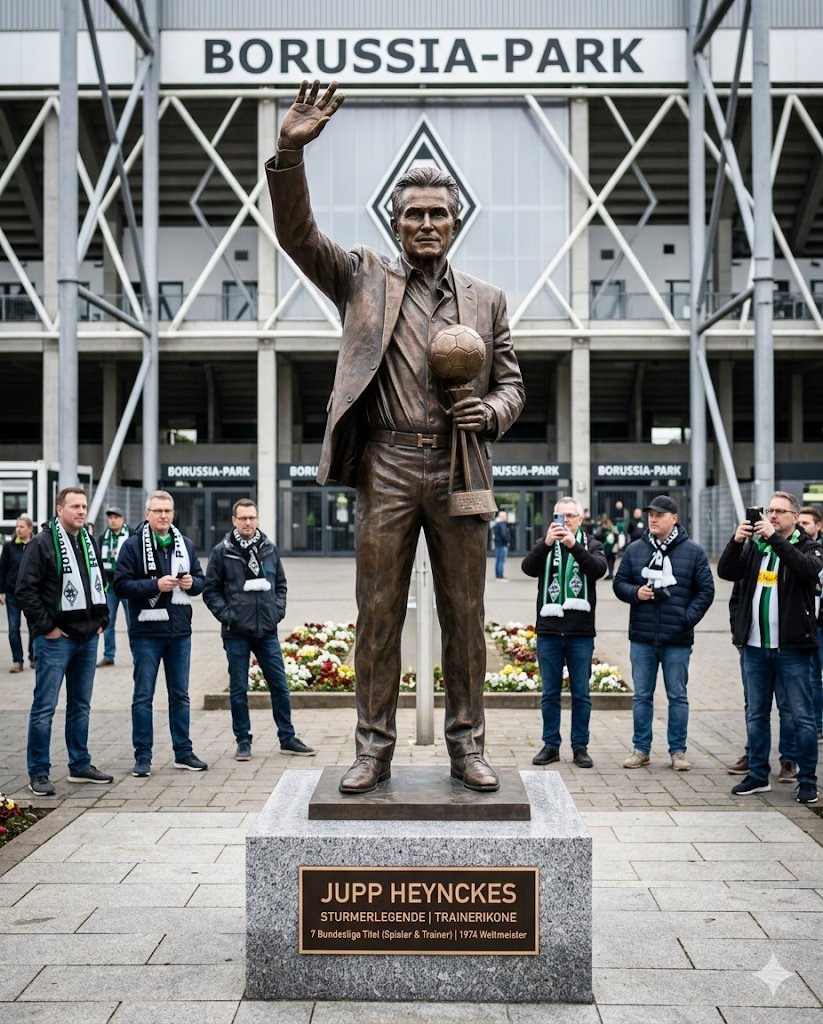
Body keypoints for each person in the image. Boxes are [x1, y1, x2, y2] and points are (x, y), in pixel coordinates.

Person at [267, 80, 525, 795]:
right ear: (394, 220)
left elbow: (512, 384)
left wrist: (493, 414)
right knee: (375, 613)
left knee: (465, 616)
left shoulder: (486, 301)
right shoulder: (360, 279)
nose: (425, 224)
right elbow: (296, 235)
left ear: (455, 221)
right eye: (412, 214)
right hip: (385, 462)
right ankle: (372, 750)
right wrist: (289, 152)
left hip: (458, 467)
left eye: (437, 213)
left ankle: (466, 747)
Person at [717, 493, 822, 803]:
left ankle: (807, 779)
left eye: (779, 511)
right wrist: (736, 542)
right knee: (756, 714)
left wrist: (775, 538)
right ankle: (758, 775)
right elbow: (726, 572)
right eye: (770, 510)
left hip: (791, 648)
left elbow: (805, 569)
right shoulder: (755, 548)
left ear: (794, 515)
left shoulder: (808, 546)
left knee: (801, 716)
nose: (772, 515)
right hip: (754, 647)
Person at [15, 488, 112, 796]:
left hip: (88, 638)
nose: (81, 511)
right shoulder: (42, 544)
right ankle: (39, 772)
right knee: (45, 707)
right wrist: (48, 628)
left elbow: (101, 585)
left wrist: (102, 622)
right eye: (74, 506)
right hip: (56, 641)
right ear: (60, 510)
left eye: (84, 506)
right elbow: (25, 590)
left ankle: (79, 765)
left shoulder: (89, 541)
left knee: (80, 706)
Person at [203, 499, 315, 761]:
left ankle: (287, 737)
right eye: (242, 518)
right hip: (236, 632)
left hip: (266, 630)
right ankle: (243, 741)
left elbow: (281, 585)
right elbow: (211, 590)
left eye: (252, 517)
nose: (248, 522)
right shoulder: (222, 551)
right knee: (238, 689)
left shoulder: (268, 548)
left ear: (258, 519)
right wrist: (228, 616)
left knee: (279, 685)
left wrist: (276, 612)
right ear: (234, 520)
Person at [613, 494, 714, 771]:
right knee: (642, 695)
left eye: (659, 515)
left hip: (677, 639)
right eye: (650, 515)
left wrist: (686, 618)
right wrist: (636, 592)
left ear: (674, 518)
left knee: (677, 696)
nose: (653, 519)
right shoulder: (636, 549)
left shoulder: (693, 552)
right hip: (643, 638)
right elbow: (619, 584)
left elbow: (706, 592)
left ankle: (677, 752)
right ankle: (641, 749)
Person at [114, 490, 207, 778]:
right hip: (146, 632)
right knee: (143, 697)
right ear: (147, 514)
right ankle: (143, 756)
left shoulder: (186, 544)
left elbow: (201, 581)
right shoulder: (132, 546)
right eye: (158, 511)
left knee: (180, 696)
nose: (163, 515)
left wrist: (192, 583)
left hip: (179, 632)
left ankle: (183, 752)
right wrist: (155, 585)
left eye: (167, 511)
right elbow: (120, 586)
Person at [522, 496, 607, 769]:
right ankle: (551, 745)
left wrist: (574, 547)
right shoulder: (545, 543)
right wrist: (547, 543)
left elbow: (597, 570)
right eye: (561, 516)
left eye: (571, 516)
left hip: (580, 633)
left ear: (580, 519)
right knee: (550, 693)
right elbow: (527, 568)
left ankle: (580, 747)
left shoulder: (592, 544)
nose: (565, 521)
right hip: (548, 631)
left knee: (581, 694)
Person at [798, 505, 823, 742]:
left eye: (807, 523)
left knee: (817, 677)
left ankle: (817, 723)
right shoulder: (794, 550)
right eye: (800, 522)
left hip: (820, 623)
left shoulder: (818, 553)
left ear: (819, 526)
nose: (802, 527)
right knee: (806, 676)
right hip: (802, 624)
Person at [97, 505, 132, 667]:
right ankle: (108, 655)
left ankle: (137, 654)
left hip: (127, 585)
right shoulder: (103, 537)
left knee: (132, 622)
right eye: (110, 517)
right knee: (108, 622)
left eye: (116, 517)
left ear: (122, 519)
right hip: (110, 587)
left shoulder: (131, 535)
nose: (113, 520)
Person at [0, 515, 36, 672]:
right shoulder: (9, 547)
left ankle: (33, 658)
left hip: (31, 594)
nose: (18, 529)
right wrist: (1, 590)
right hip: (12, 594)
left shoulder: (36, 545)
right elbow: (2, 569)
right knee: (13, 628)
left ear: (30, 529)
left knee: (34, 627)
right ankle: (17, 660)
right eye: (17, 526)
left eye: (22, 526)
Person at [595, 515, 618, 579]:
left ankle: (610, 574)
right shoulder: (613, 529)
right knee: (612, 561)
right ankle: (611, 573)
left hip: (608, 549)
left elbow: (598, 536)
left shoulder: (604, 530)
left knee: (610, 560)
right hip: (612, 549)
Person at [492, 510, 512, 580]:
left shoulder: (496, 524)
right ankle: (500, 575)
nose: (506, 517)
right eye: (505, 516)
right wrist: (507, 541)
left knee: (498, 560)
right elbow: (504, 534)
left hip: (498, 544)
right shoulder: (502, 525)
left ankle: (498, 574)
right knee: (501, 560)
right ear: (502, 516)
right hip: (502, 544)